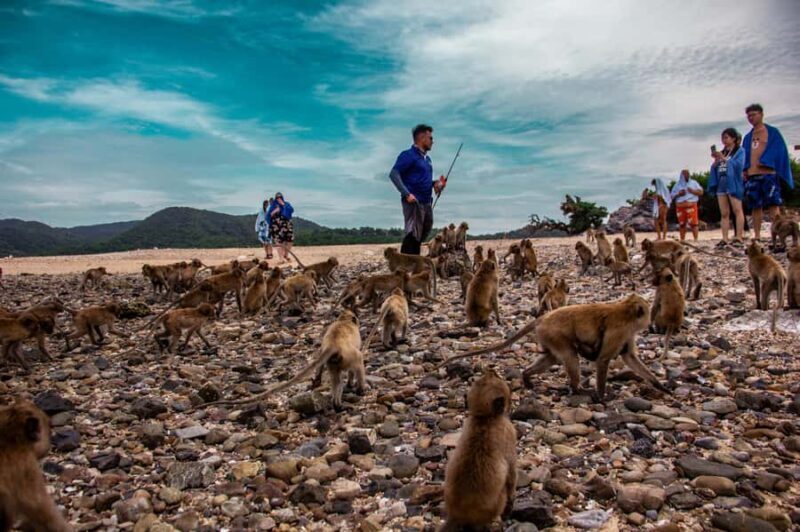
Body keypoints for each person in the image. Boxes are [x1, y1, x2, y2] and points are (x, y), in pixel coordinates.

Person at [388, 124, 447, 255]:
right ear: (421, 138)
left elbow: (423, 181)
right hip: (413, 202)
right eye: (430, 138)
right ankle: (406, 263)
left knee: (424, 231)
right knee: (412, 234)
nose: (433, 141)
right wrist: (406, 194)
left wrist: (436, 184)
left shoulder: (428, 160)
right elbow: (394, 174)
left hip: (426, 203)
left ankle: (414, 261)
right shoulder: (408, 155)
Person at [742, 103, 794, 240]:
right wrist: (744, 170)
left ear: (761, 114)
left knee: (773, 204)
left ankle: (777, 235)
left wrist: (767, 160)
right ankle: (757, 235)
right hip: (753, 174)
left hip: (769, 174)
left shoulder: (772, 132)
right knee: (755, 206)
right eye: (749, 116)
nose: (751, 118)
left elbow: (779, 150)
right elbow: (745, 155)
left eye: (753, 115)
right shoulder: (748, 137)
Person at [708, 128, 746, 247]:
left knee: (737, 209)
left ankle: (739, 236)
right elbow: (716, 167)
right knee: (724, 213)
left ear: (733, 138)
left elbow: (739, 165)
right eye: (722, 138)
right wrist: (716, 161)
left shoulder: (739, 151)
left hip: (733, 182)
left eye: (726, 137)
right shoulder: (723, 152)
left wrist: (724, 159)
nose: (724, 140)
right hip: (721, 183)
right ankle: (724, 238)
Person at [670, 170, 703, 241]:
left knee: (694, 223)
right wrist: (679, 194)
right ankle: (682, 239)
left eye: (687, 174)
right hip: (680, 207)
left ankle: (696, 239)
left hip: (691, 205)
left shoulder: (694, 183)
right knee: (682, 224)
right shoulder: (677, 185)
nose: (686, 175)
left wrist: (692, 191)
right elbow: (671, 196)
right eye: (684, 174)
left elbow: (701, 192)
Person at [268, 192, 295, 264]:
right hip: (276, 226)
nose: (279, 199)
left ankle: (286, 255)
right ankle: (281, 259)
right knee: (279, 242)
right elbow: (268, 215)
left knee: (290, 241)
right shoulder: (273, 206)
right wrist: (275, 211)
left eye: (280, 197)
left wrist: (283, 205)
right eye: (277, 198)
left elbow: (291, 210)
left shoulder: (287, 204)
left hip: (287, 225)